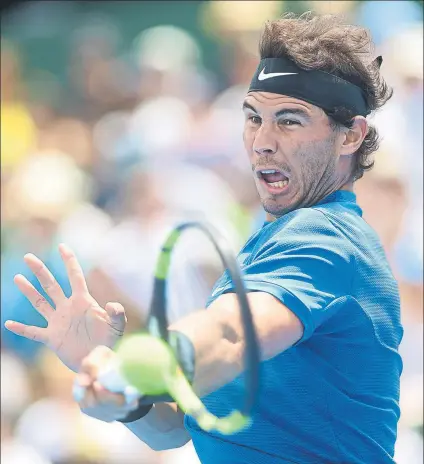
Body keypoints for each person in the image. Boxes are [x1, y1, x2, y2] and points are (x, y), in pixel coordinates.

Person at [5, 12, 403, 464]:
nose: (261, 142)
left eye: (289, 121)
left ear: (350, 135)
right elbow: (174, 430)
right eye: (254, 117)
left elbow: (233, 335)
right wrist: (113, 368)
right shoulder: (269, 242)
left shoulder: (328, 236)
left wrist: (130, 368)